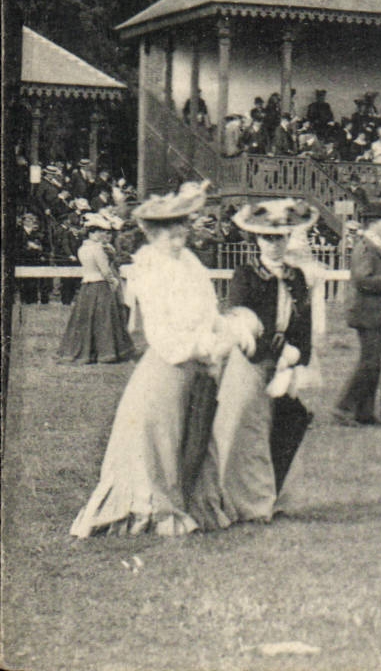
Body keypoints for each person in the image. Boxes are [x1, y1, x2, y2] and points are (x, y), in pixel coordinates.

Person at [70, 183, 245, 537]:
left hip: (197, 366)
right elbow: (161, 334)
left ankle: (195, 504)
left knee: (194, 438)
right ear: (152, 233)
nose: (177, 238)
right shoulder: (149, 269)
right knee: (158, 444)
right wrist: (204, 346)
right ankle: (152, 510)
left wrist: (224, 330)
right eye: (168, 232)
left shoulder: (190, 262)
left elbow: (208, 312)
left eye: (181, 229)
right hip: (167, 368)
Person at [224, 199, 326, 501]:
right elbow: (240, 321)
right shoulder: (246, 274)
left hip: (285, 362)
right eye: (268, 238)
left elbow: (303, 322)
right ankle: (242, 496)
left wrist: (298, 355)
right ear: (257, 239)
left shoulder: (296, 276)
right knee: (248, 429)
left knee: (291, 420)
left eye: (280, 238)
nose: (274, 244)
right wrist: (273, 352)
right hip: (253, 360)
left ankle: (269, 494)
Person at [335, 201, 381, 426]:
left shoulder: (374, 244)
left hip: (374, 312)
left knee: (373, 362)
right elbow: (363, 280)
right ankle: (344, 408)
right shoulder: (365, 247)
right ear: (374, 223)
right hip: (367, 313)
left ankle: (364, 413)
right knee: (369, 362)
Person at [56, 211, 135, 364]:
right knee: (105, 320)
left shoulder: (82, 249)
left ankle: (88, 351)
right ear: (91, 233)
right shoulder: (98, 249)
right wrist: (114, 281)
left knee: (86, 319)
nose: (100, 234)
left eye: (101, 231)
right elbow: (105, 270)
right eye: (98, 231)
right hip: (100, 285)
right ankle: (106, 352)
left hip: (87, 286)